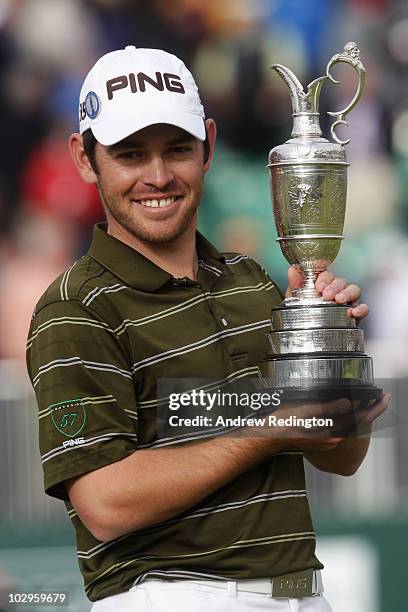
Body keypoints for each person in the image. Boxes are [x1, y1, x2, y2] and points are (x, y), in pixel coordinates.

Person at [26, 46, 387, 612]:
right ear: (84, 157)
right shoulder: (75, 308)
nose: (158, 175)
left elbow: (340, 456)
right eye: (130, 153)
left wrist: (333, 351)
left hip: (302, 591)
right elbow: (105, 504)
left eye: (177, 149)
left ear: (210, 146)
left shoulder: (252, 282)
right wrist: (266, 431)